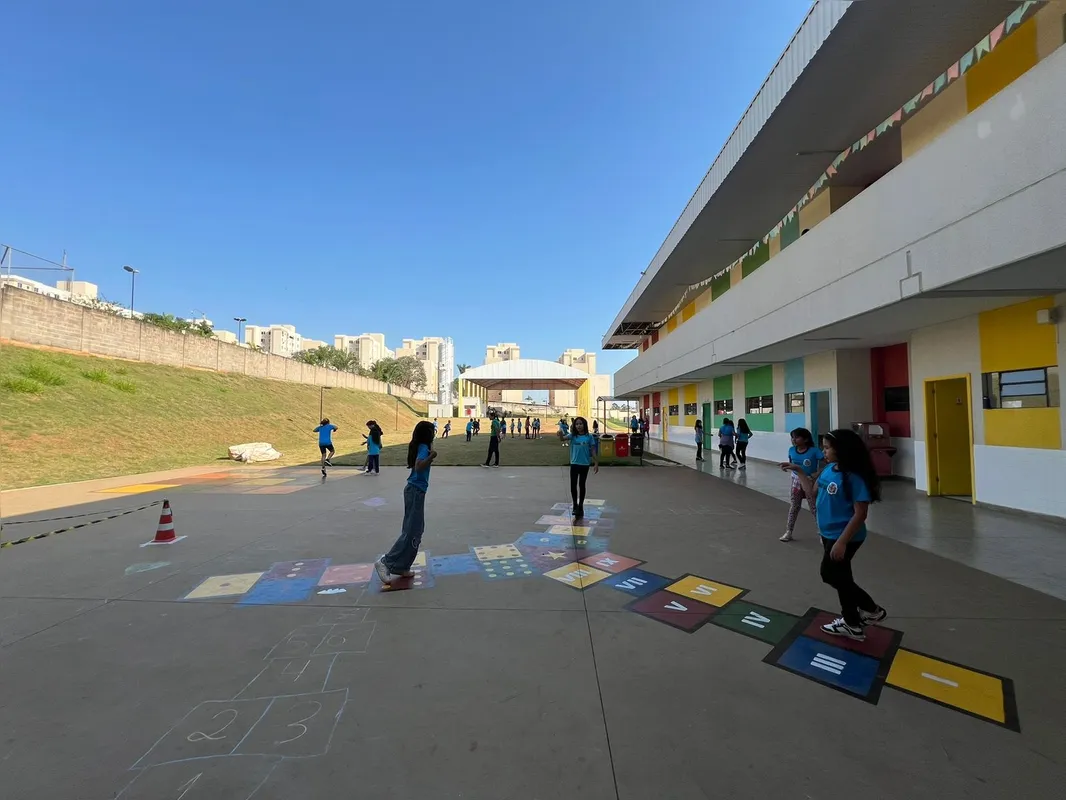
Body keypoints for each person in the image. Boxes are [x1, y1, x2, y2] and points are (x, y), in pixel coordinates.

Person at [783, 428, 886, 641]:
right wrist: (799, 471)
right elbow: (811, 492)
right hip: (829, 533)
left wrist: (841, 542)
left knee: (829, 574)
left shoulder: (854, 478)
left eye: (828, 447)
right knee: (842, 577)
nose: (824, 451)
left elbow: (860, 514)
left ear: (843, 450)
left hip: (845, 536)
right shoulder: (829, 469)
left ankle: (872, 609)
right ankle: (852, 624)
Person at [374, 421, 438, 586]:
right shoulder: (424, 448)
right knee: (412, 531)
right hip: (415, 491)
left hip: (416, 491)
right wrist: (431, 457)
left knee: (416, 529)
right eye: (432, 431)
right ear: (427, 434)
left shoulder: (421, 446)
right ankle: (386, 562)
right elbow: (418, 467)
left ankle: (402, 566)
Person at [778, 427, 822, 542]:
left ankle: (822, 533)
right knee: (794, 506)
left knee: (814, 508)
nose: (793, 440)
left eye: (796, 437)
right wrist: (786, 467)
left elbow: (824, 465)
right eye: (792, 437)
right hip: (796, 482)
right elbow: (791, 463)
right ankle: (789, 531)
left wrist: (815, 475)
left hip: (809, 481)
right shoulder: (791, 450)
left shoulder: (814, 451)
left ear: (806, 439)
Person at [559, 416, 599, 520]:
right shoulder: (572, 436)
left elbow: (593, 450)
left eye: (581, 424)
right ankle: (575, 505)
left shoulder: (589, 437)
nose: (579, 426)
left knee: (582, 485)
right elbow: (563, 439)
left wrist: (596, 462)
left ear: (584, 425)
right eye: (577, 424)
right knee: (573, 485)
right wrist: (560, 435)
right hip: (574, 464)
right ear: (574, 426)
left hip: (584, 464)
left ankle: (581, 505)